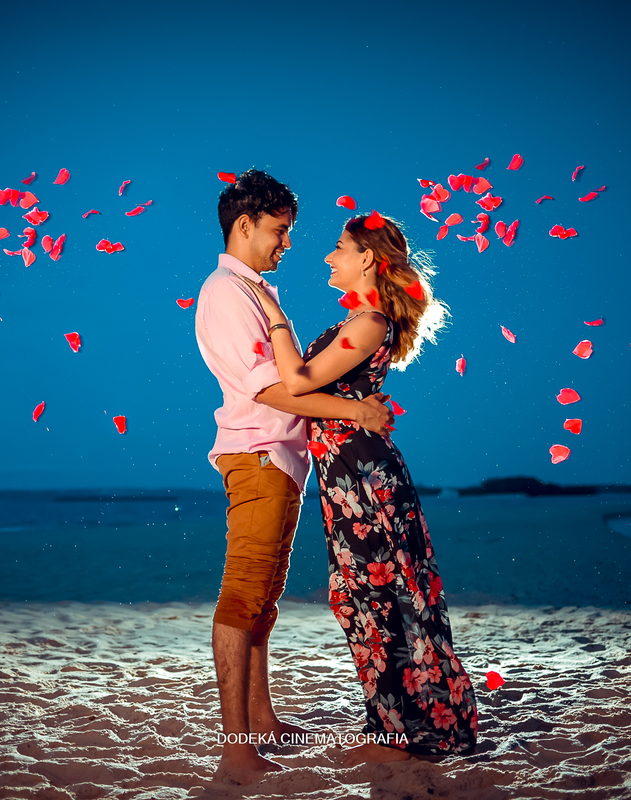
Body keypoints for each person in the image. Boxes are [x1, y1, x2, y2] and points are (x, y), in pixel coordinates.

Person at [236, 212, 478, 765]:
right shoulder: (363, 320)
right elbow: (305, 383)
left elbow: (296, 382)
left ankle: (400, 732)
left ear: (367, 257)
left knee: (377, 600)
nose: (329, 257)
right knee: (362, 599)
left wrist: (273, 313)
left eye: (339, 248)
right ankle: (396, 724)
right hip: (347, 476)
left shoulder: (369, 321)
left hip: (365, 479)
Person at [194, 169, 396, 785]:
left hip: (278, 459)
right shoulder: (228, 293)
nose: (287, 244)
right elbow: (277, 391)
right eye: (278, 232)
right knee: (243, 597)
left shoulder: (257, 290)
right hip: (256, 454)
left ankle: (262, 723)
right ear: (243, 224)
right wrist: (356, 409)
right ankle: (237, 749)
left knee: (264, 601)